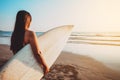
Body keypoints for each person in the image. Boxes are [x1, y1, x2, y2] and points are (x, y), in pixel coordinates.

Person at [10, 10, 49, 75]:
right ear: (28, 21)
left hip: (18, 66)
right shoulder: (30, 33)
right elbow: (37, 53)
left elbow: (15, 52)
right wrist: (45, 66)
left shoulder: (14, 35)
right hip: (29, 67)